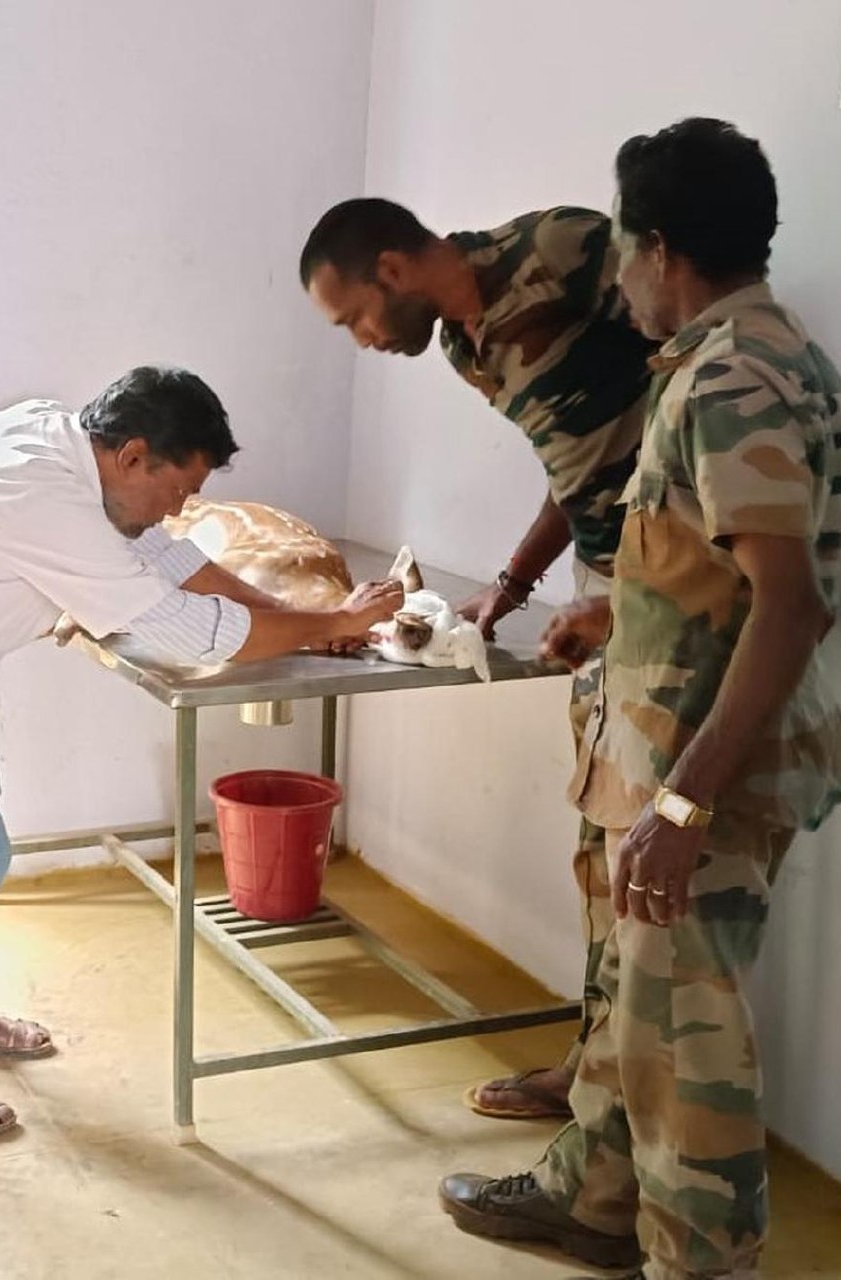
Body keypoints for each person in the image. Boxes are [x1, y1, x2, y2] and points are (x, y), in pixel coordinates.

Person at [438, 118, 841, 1280]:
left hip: (699, 767)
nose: (619, 276)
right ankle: (594, 1198)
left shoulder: (732, 377)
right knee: (632, 1004)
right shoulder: (733, 357)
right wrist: (616, 613)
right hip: (659, 736)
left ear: (660, 248)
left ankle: (699, 1260)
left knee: (682, 1044)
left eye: (625, 250)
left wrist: (680, 805)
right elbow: (712, 568)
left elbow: (789, 607)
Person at [0, 365, 402, 1140]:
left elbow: (169, 557)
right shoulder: (44, 500)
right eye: (177, 489)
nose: (179, 509)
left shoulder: (59, 438)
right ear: (133, 456)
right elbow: (191, 633)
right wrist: (327, 626)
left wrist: (302, 616)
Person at [301, 195, 655, 1121]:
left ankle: (628, 1118)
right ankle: (597, 1080)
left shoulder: (561, 248)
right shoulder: (465, 347)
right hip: (610, 594)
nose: (363, 340)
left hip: (675, 583)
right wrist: (512, 582)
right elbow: (577, 464)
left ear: (391, 269)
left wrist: (654, 579)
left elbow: (685, 374)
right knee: (604, 853)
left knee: (653, 868)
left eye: (354, 317)